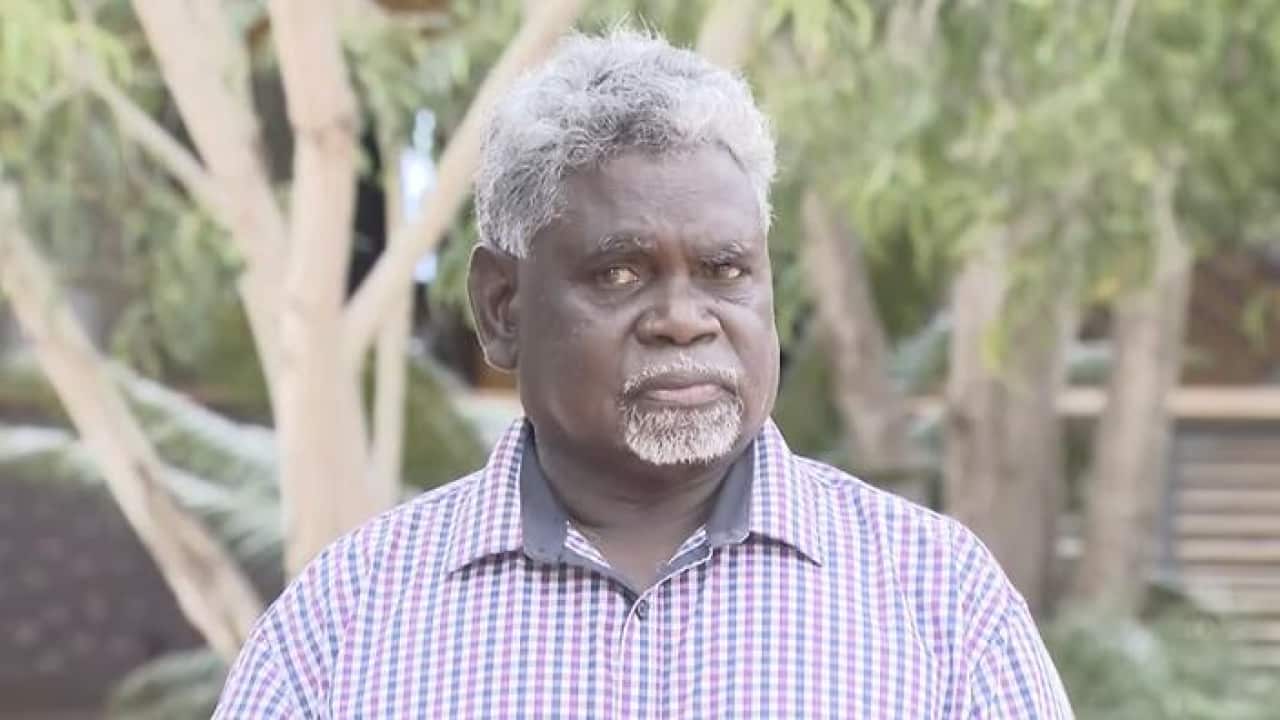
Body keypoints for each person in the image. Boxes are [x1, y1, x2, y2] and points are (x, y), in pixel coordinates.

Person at [214, 30, 1073, 719]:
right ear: (502, 307)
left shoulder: (939, 602)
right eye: (619, 273)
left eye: (726, 269)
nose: (685, 318)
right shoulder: (347, 620)